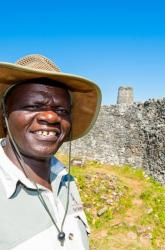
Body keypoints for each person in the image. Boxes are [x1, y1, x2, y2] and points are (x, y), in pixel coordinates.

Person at [0, 54, 101, 250]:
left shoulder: (65, 180)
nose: (51, 116)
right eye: (33, 106)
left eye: (62, 110)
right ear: (5, 113)